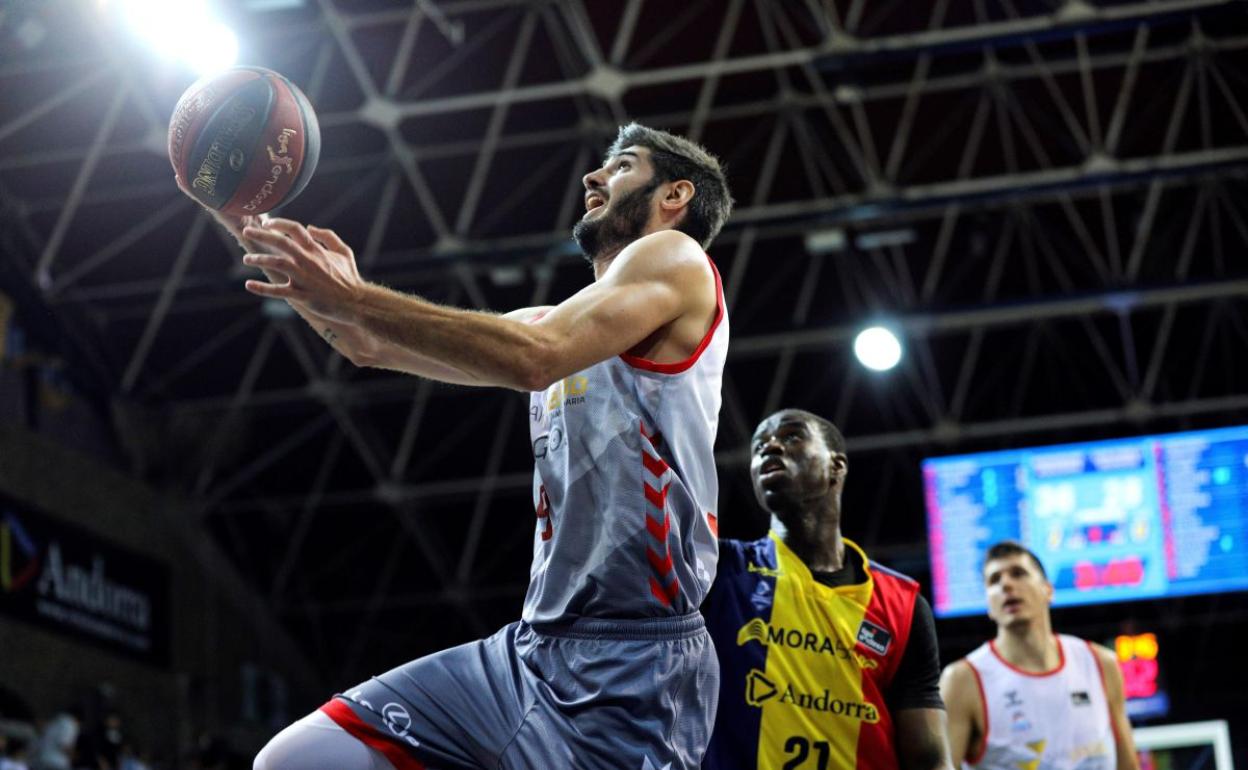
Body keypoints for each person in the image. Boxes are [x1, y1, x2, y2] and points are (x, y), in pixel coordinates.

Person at [189, 122, 733, 770]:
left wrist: (356, 297)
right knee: (298, 759)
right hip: (529, 652)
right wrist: (238, 214)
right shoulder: (549, 323)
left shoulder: (676, 258)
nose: (593, 177)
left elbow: (536, 359)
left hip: (636, 667)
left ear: (676, 194)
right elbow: (368, 344)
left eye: (621, 166)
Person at [701, 409, 953, 770]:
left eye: (791, 436)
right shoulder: (718, 570)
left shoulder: (904, 605)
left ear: (837, 466)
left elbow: (930, 758)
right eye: (759, 446)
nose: (770, 446)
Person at [939, 541, 1139, 770]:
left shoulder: (1101, 664)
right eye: (994, 580)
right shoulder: (963, 680)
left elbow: (1128, 766)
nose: (1006, 584)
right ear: (988, 605)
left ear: (1048, 590)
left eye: (1018, 573)